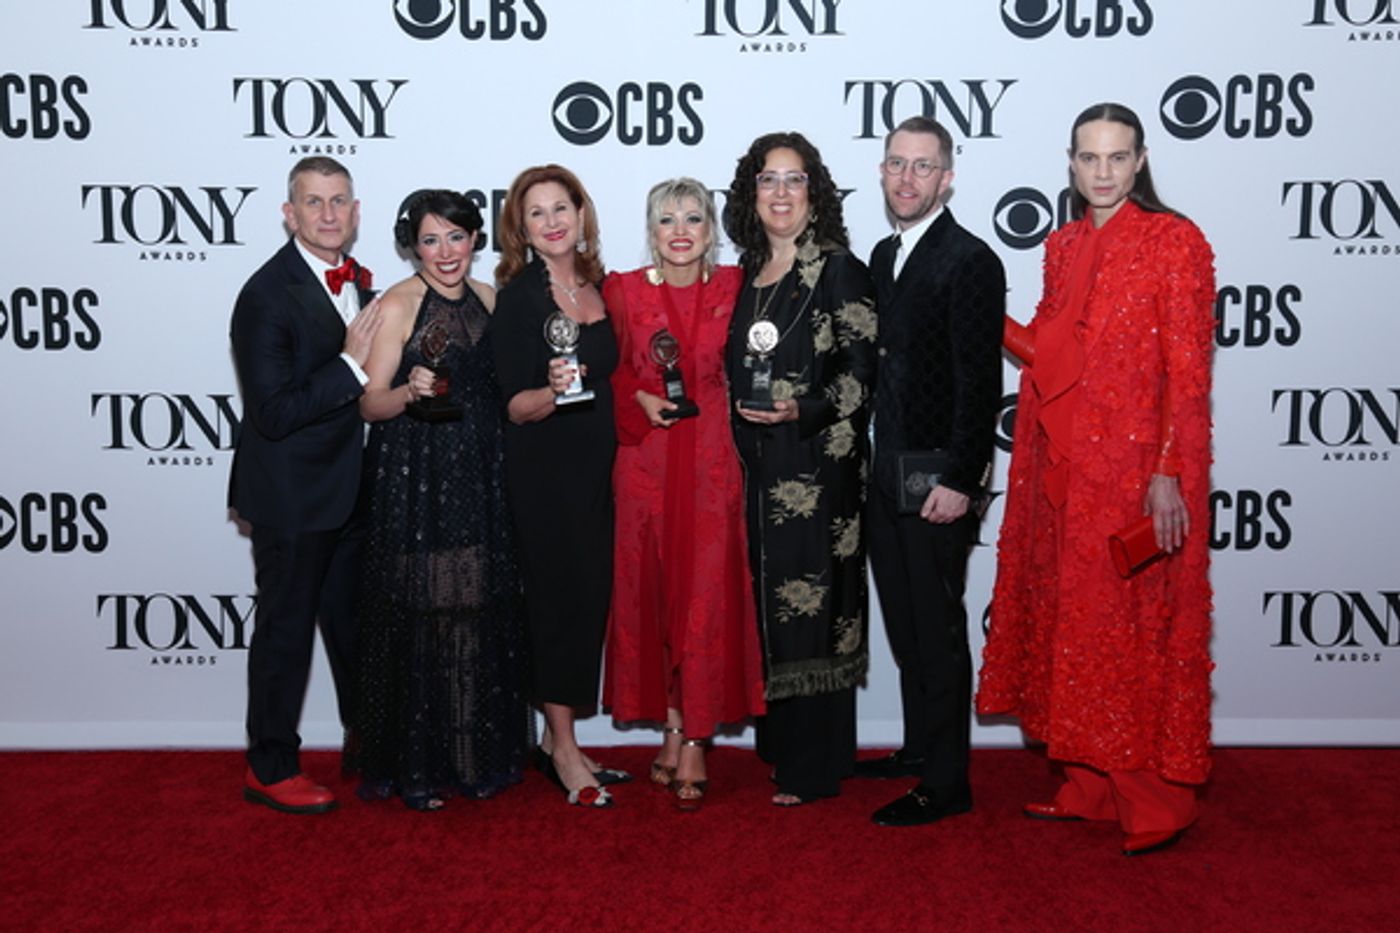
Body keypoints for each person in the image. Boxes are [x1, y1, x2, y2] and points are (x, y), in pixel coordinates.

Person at [976, 102, 1216, 856]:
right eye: (1089, 158)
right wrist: (978, 312)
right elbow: (1049, 351)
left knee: (1125, 634)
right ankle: (1088, 784)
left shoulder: (1176, 242)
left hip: (1132, 473)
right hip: (1060, 469)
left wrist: (1169, 470)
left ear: (1141, 160)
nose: (1103, 172)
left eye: (1117, 157)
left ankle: (1154, 800)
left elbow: (1189, 371)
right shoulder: (1063, 243)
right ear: (1071, 163)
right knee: (1071, 629)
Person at [349, 189, 531, 810]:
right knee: (424, 615)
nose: (446, 252)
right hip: (419, 479)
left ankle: (471, 755)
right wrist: (407, 390)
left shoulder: (489, 299)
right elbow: (369, 401)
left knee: (475, 612)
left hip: (481, 474)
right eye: (431, 240)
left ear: (476, 238)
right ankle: (417, 767)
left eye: (456, 237)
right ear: (412, 245)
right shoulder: (396, 305)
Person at [856, 116, 1005, 827]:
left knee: (939, 631)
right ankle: (920, 748)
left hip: (936, 478)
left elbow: (979, 384)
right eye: (896, 165)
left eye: (923, 167)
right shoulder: (885, 255)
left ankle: (948, 783)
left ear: (948, 177)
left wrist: (959, 478)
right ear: (882, 173)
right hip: (886, 473)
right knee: (907, 626)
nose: (907, 179)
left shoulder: (970, 259)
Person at [722, 132, 878, 806]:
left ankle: (814, 764)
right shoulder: (747, 275)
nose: (780, 193)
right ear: (750, 194)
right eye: (767, 180)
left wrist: (801, 410)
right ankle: (789, 745)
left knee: (813, 609)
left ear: (815, 192)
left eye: (794, 179)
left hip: (817, 471)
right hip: (754, 474)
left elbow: (862, 373)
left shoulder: (837, 267)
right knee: (768, 609)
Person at [602, 178, 766, 812]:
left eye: (693, 218)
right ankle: (672, 723)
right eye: (667, 218)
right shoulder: (621, 291)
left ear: (711, 229)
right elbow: (604, 374)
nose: (680, 230)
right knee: (656, 600)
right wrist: (636, 398)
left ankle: (695, 735)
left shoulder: (735, 288)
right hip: (644, 468)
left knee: (704, 602)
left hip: (711, 470)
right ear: (650, 228)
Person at [228, 156, 382, 813]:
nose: (328, 213)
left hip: (349, 490)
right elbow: (274, 410)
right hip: (291, 496)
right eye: (314, 202)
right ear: (289, 215)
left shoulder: (362, 285)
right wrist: (350, 363)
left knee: (356, 628)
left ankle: (368, 744)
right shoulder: (266, 294)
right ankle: (270, 764)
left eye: (339, 200)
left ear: (355, 212)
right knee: (286, 633)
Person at [492, 164, 628, 808]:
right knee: (555, 601)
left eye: (560, 208)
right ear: (521, 228)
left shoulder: (598, 287)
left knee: (586, 599)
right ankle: (564, 747)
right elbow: (516, 406)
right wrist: (556, 389)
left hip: (597, 475)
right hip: (544, 475)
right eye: (536, 213)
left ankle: (555, 738)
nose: (551, 222)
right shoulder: (522, 298)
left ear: (581, 214)